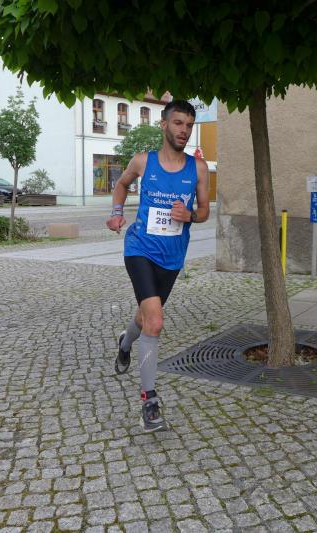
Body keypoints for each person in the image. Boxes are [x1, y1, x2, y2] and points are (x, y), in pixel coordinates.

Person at [106, 100, 210, 432]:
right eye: (178, 123)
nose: (184, 130)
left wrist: (190, 215)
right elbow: (121, 184)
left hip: (172, 257)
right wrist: (116, 212)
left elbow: (205, 211)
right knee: (156, 320)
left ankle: (125, 343)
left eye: (189, 125)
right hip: (139, 248)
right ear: (164, 125)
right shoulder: (143, 161)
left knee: (144, 318)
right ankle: (149, 402)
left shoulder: (198, 169)